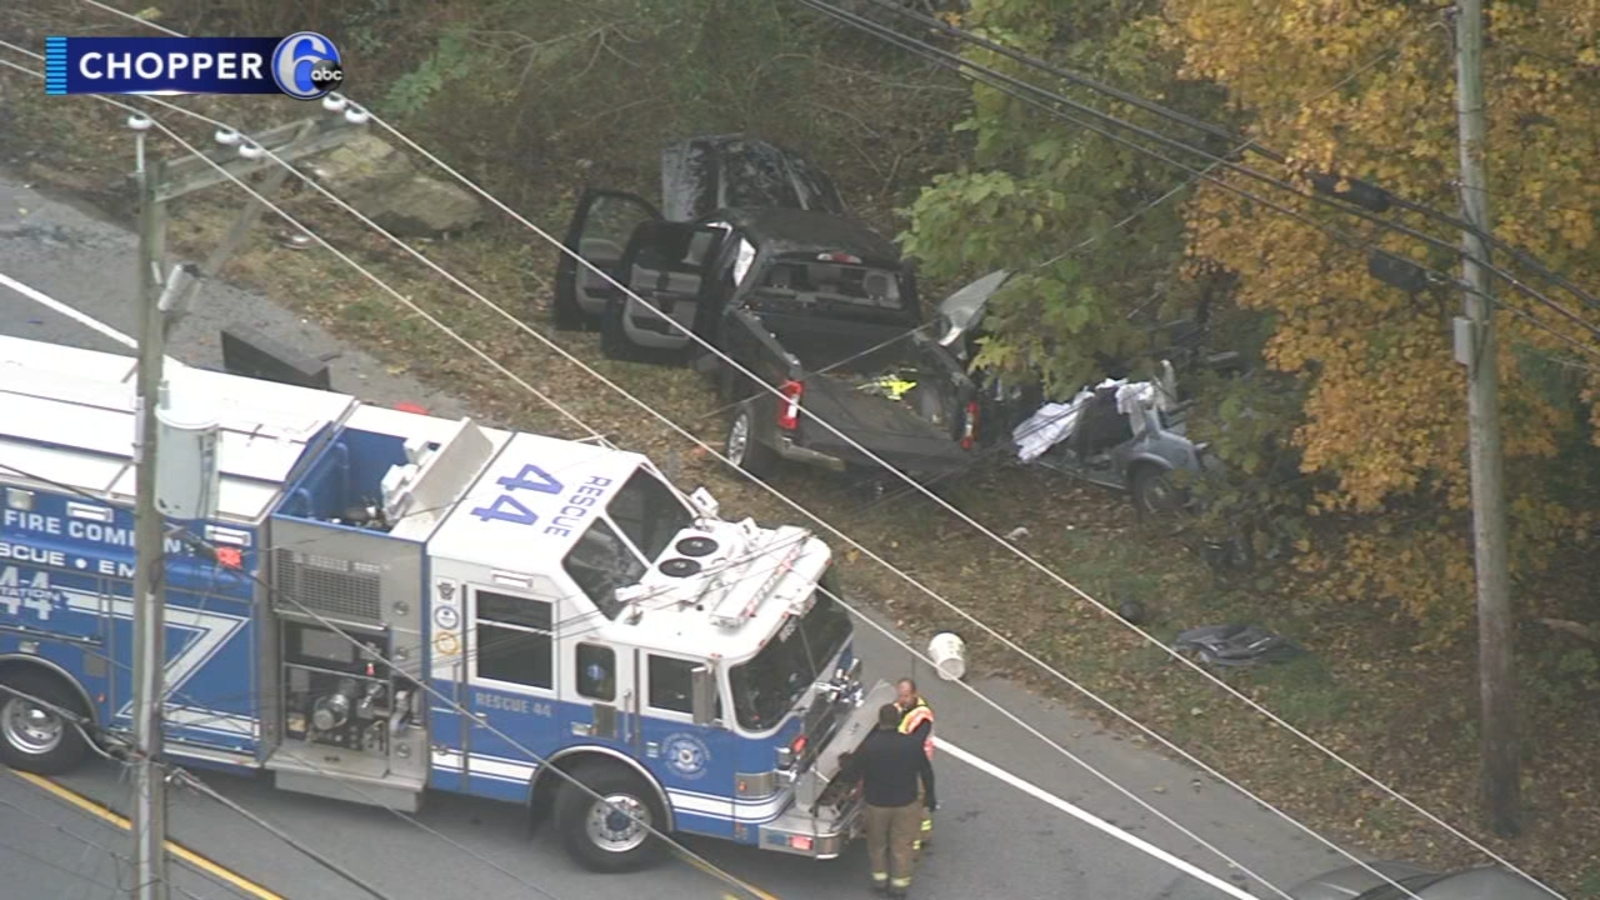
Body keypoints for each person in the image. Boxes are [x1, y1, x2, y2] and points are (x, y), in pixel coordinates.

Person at [836, 703, 934, 898]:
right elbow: (926, 772)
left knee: (877, 844)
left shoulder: (869, 746)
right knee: (902, 845)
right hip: (906, 803)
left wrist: (844, 764)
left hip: (877, 804)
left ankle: (879, 882)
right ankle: (899, 886)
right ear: (898, 721)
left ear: (880, 722)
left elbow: (852, 775)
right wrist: (930, 797)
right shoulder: (911, 745)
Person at [895, 678, 936, 852]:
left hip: (918, 762)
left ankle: (922, 835)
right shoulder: (900, 707)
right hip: (904, 760)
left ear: (914, 694)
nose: (902, 699)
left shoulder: (922, 716)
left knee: (918, 799)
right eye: (900, 695)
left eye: (906, 696)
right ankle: (921, 831)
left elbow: (916, 741)